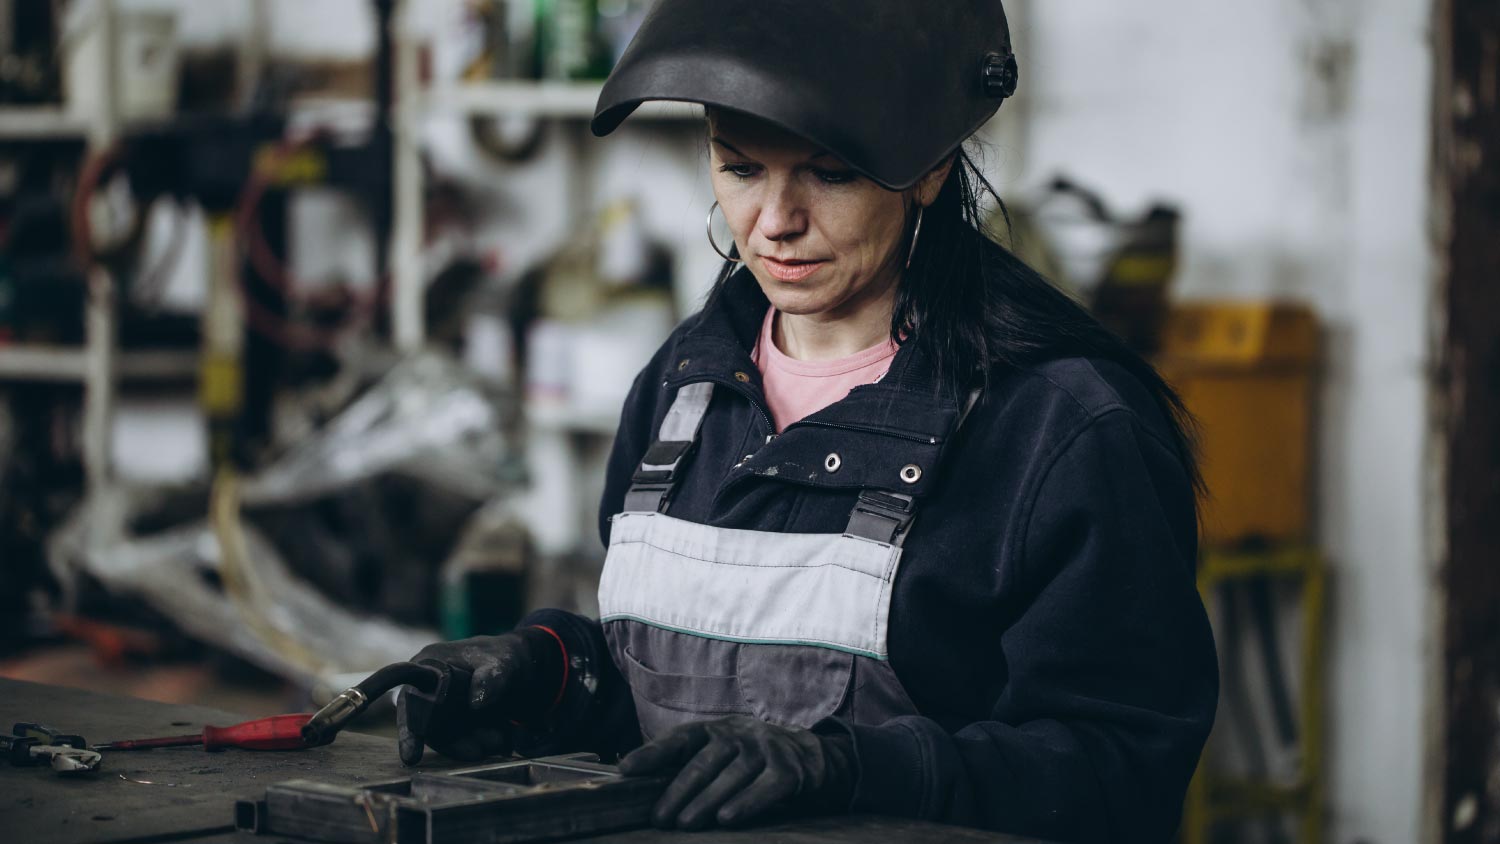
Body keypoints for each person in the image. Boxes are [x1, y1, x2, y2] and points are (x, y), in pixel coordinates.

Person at [397, 1, 1219, 841]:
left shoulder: (1061, 429)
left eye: (830, 172)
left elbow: (1120, 769)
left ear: (930, 166)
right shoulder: (685, 387)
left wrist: (847, 768)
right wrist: (552, 670)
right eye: (741, 166)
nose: (776, 221)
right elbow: (665, 694)